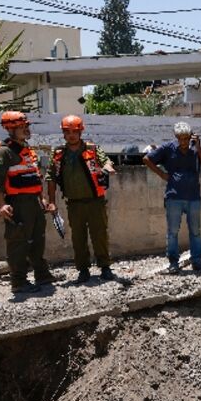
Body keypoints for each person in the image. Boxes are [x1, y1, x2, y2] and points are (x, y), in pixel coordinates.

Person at [0, 111, 56, 293]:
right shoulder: (3, 151)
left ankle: (42, 275)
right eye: (21, 127)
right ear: (10, 129)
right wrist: (1, 204)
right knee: (18, 242)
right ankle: (19, 281)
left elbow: (34, 177)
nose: (26, 129)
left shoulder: (26, 149)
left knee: (37, 240)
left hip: (34, 202)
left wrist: (41, 198)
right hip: (17, 203)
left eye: (26, 126)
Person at [47, 114, 119, 282]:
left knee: (99, 235)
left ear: (80, 132)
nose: (71, 135)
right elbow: (50, 177)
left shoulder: (92, 149)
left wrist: (108, 169)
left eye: (74, 131)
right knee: (78, 238)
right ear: (63, 134)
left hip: (95, 202)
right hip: (74, 204)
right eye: (67, 132)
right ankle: (83, 270)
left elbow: (106, 161)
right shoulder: (58, 154)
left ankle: (105, 267)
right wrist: (51, 202)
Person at [144, 121, 201, 272]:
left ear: (190, 137)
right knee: (173, 232)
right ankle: (173, 262)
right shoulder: (168, 148)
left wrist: (199, 148)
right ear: (176, 137)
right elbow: (147, 159)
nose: (183, 142)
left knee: (195, 231)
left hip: (194, 197)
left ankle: (196, 260)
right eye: (180, 138)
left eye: (186, 138)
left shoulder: (196, 149)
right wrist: (162, 174)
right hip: (174, 197)